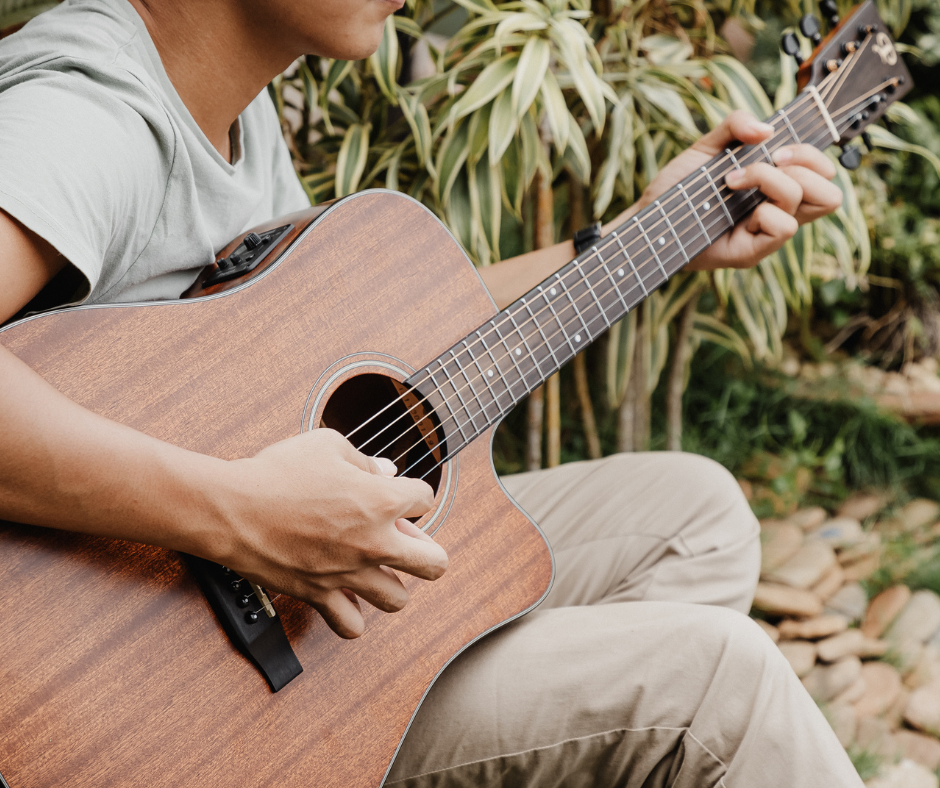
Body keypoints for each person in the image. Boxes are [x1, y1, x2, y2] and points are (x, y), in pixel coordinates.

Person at [0, 0, 863, 785]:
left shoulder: (230, 104)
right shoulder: (91, 117)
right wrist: (242, 515)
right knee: (714, 682)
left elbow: (368, 341)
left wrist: (641, 233)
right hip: (149, 714)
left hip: (273, 645)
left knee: (694, 515)